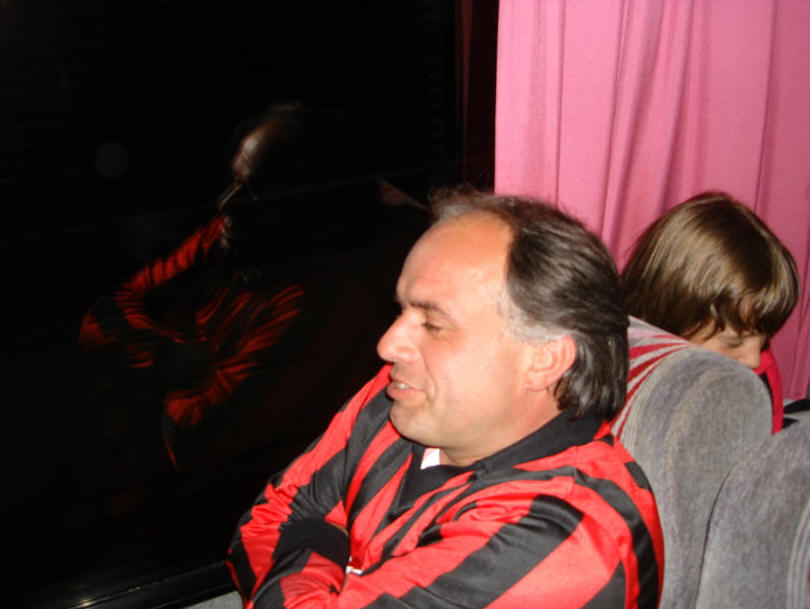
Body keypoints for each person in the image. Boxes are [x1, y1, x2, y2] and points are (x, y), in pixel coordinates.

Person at [227, 190, 664, 609]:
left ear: (543, 360)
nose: (387, 345)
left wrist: (318, 539)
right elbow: (266, 520)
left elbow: (293, 529)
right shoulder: (403, 399)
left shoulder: (565, 540)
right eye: (402, 312)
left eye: (433, 325)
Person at [621, 191, 800, 433]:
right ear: (673, 319)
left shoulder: (758, 377)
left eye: (764, 341)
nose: (755, 359)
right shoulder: (617, 369)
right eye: (734, 343)